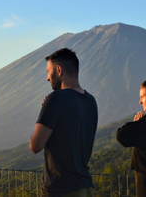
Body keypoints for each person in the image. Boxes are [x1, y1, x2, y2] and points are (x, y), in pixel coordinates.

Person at [29, 48, 98, 197]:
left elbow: (35, 146)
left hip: (60, 190)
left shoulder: (55, 98)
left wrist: (45, 113)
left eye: (48, 71)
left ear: (59, 70)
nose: (47, 77)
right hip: (85, 187)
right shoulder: (91, 101)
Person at [116, 81, 146, 197]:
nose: (140, 101)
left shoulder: (143, 125)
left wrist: (135, 125)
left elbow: (121, 135)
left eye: (143, 96)